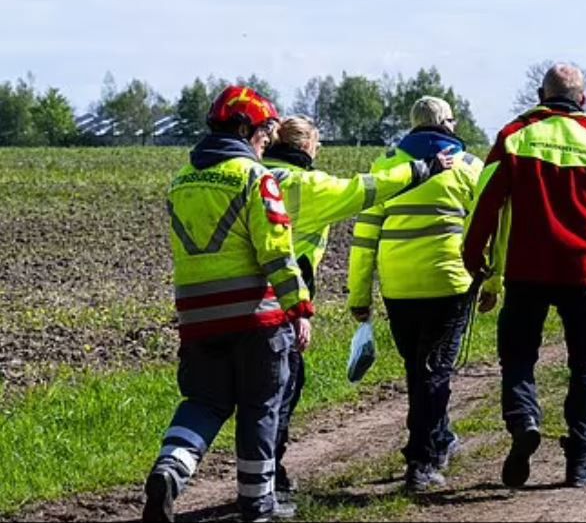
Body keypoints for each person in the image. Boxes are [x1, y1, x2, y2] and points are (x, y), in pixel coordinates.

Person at [462, 63, 586, 489]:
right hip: (582, 274)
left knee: (519, 357)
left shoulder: (515, 135)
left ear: (541, 95)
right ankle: (579, 462)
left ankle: (524, 420)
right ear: (584, 99)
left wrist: (473, 254)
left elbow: (484, 201)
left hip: (525, 271)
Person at [143, 86, 314, 523]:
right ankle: (257, 506)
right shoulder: (256, 178)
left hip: (198, 319)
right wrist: (300, 310)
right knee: (260, 407)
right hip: (257, 319)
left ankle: (170, 471)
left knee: (203, 402)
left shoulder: (181, 182)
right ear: (243, 128)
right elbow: (277, 251)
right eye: (264, 132)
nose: (266, 141)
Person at [261, 115, 452, 501]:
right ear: (306, 146)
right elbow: (368, 189)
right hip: (279, 300)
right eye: (316, 145)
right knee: (281, 390)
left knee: (237, 397)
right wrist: (424, 169)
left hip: (230, 295)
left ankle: (185, 463)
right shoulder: (306, 185)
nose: (318, 151)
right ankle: (267, 480)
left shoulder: (250, 176)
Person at [346, 96, 491, 492]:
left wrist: (359, 295)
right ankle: (421, 460)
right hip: (448, 282)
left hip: (398, 285)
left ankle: (439, 438)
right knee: (435, 371)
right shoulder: (469, 167)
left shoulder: (386, 165)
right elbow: (487, 227)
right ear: (448, 123)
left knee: (418, 368)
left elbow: (365, 236)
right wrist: (493, 280)